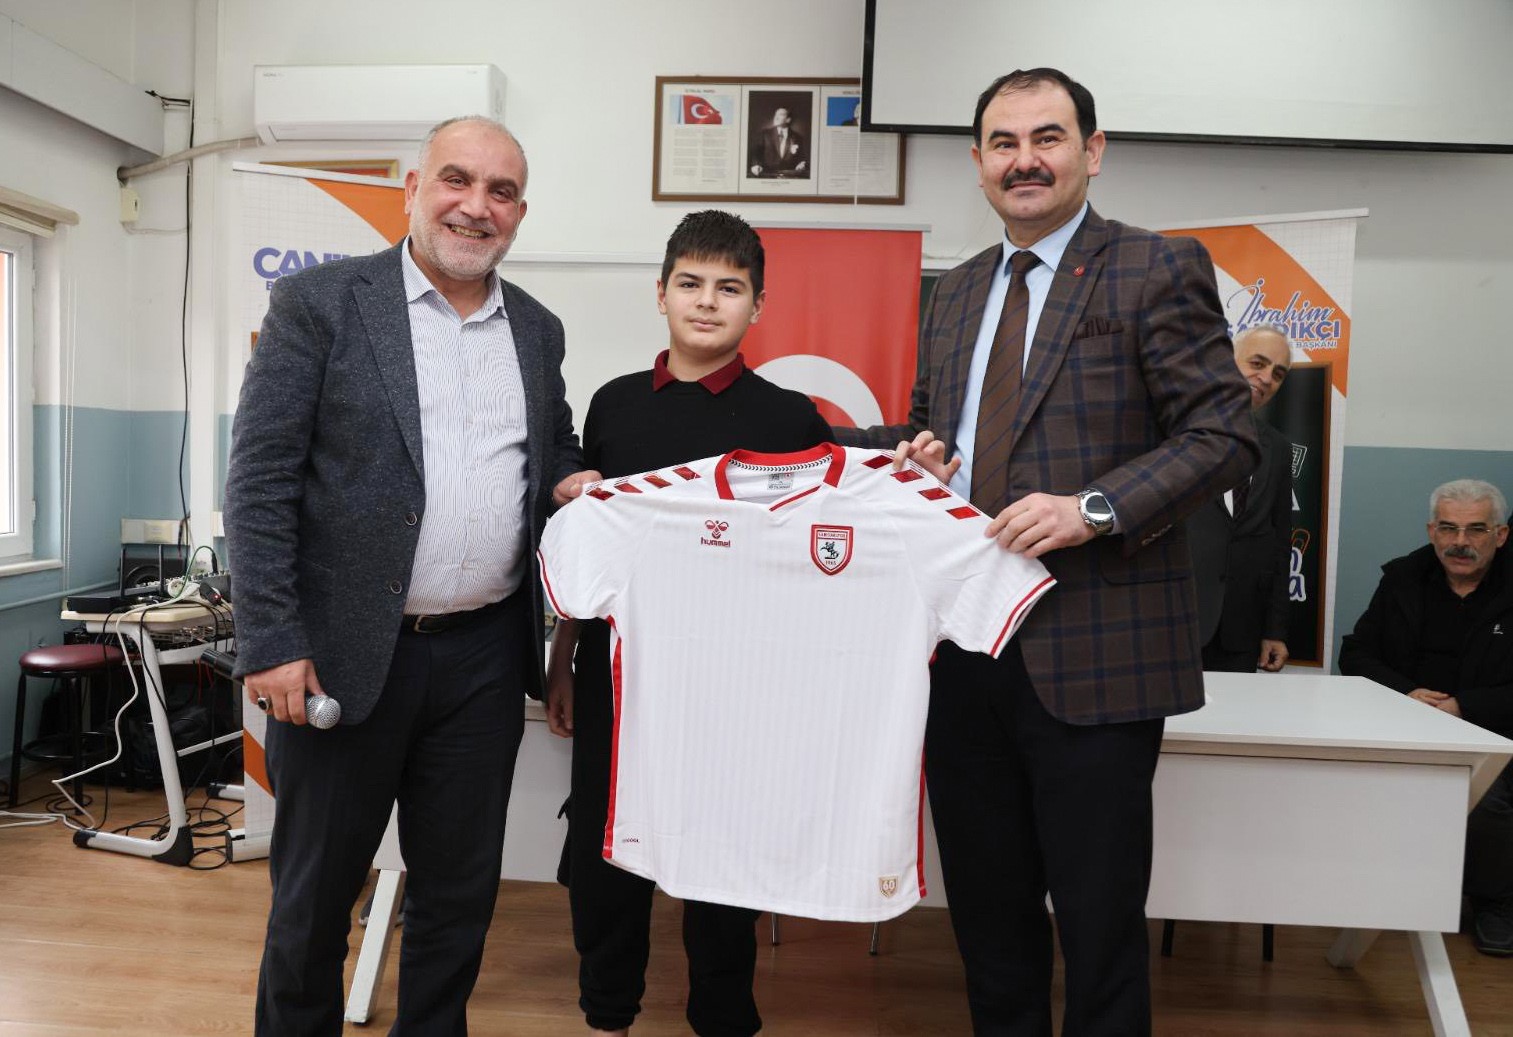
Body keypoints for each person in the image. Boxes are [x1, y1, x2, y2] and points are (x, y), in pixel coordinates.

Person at [836, 68, 1258, 1034]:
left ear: (1091, 152)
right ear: (978, 162)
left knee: (1099, 928)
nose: (1023, 159)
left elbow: (1222, 435)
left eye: (1047, 137)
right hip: (961, 654)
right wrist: (921, 459)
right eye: (1003, 142)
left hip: (1096, 654)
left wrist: (1094, 508)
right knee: (988, 923)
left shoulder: (1153, 266)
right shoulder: (954, 292)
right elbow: (935, 428)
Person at [224, 115, 598, 1035]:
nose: (476, 206)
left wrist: (572, 479)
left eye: (501, 191)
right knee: (313, 904)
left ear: (519, 213)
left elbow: (549, 448)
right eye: (456, 180)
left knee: (457, 903)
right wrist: (272, 640)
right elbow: (259, 480)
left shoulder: (536, 329)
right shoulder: (320, 303)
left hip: (481, 660)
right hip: (340, 658)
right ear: (412, 191)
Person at [545, 210, 831, 1036]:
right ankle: (607, 1013)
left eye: (729, 288)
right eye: (691, 283)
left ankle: (723, 1013)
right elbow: (594, 552)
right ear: (661, 293)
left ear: (757, 305)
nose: (707, 302)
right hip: (617, 671)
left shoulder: (789, 417)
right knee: (606, 850)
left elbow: (816, 552)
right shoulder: (613, 405)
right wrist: (562, 657)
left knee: (723, 856)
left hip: (738, 681)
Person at [1339, 478, 1513, 956]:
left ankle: (1495, 903)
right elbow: (1355, 654)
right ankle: (1376, 891)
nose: (1460, 542)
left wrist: (1463, 706)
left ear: (1500, 535)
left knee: (1487, 800)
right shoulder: (1403, 579)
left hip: (1494, 732)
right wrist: (1406, 695)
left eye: (1476, 529)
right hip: (1407, 725)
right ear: (1432, 531)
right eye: (1449, 528)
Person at [1187, 324, 1296, 673]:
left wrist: (1274, 628)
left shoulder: (1278, 449)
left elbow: (1280, 544)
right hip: (1175, 620)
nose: (1266, 378)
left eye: (1278, 374)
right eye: (1257, 363)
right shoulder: (1176, 430)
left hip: (1241, 632)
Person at [748, 107, 808, 178]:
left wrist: (802, 163)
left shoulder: (797, 137)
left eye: (781, 114)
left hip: (789, 176)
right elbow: (756, 153)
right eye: (776, 114)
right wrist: (755, 165)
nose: (776, 117)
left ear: (788, 119)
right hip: (767, 175)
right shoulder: (765, 134)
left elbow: (802, 157)